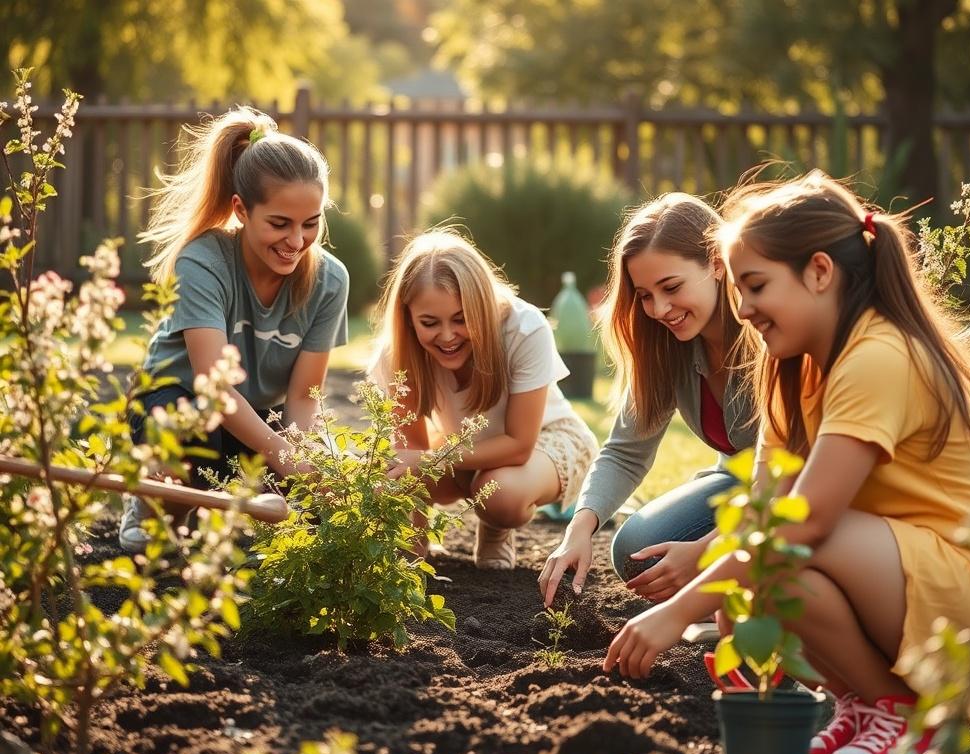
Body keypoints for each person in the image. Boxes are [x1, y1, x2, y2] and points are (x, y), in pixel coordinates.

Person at [603, 171, 970, 754]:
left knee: (785, 546)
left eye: (755, 286)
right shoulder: (792, 370)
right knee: (759, 573)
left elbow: (805, 522)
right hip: (901, 578)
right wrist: (726, 608)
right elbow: (763, 510)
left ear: (820, 273)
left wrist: (679, 610)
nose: (743, 309)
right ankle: (867, 705)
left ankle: (904, 715)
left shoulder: (878, 355)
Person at [118, 106, 349, 553]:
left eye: (311, 223)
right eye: (279, 223)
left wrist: (302, 464)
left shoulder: (330, 280)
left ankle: (205, 499)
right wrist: (286, 460)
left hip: (257, 416)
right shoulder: (203, 262)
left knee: (309, 502)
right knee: (190, 455)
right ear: (242, 210)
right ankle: (153, 497)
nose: (297, 241)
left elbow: (303, 398)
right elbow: (212, 388)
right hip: (180, 404)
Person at [538, 193, 760, 607]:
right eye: (644, 295)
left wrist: (709, 551)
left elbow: (794, 475)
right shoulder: (667, 347)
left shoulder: (767, 335)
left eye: (671, 287)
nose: (659, 309)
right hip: (737, 484)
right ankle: (727, 587)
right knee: (637, 551)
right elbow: (625, 453)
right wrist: (578, 530)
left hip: (796, 492)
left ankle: (735, 589)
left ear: (716, 262)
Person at [370, 229, 598, 569]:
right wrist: (411, 551)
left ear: (482, 306)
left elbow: (520, 444)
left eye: (461, 319)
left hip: (544, 443)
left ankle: (495, 528)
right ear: (408, 317)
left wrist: (429, 460)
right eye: (429, 323)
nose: (447, 336)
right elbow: (410, 455)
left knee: (499, 494)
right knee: (391, 475)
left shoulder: (523, 328)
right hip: (462, 449)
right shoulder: (398, 353)